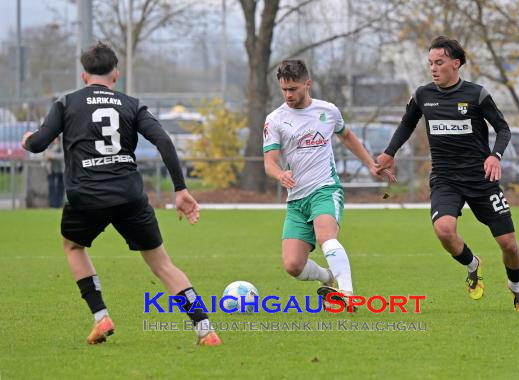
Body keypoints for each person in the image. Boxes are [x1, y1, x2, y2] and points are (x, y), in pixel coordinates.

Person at [21, 41, 222, 345]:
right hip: (129, 195)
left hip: (86, 196)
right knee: (162, 265)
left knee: (74, 247)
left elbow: (38, 144)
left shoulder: (67, 103)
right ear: (116, 74)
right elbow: (164, 142)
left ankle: (101, 317)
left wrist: (27, 140)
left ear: (84, 75)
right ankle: (205, 329)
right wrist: (180, 189)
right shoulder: (131, 104)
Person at [376, 36, 519, 311]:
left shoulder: (477, 94)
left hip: (482, 180)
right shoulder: (423, 95)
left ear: (456, 64)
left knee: (509, 245)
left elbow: (503, 129)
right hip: (445, 178)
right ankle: (473, 265)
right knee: (444, 230)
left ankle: (516, 288)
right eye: (430, 63)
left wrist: (495, 156)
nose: (433, 68)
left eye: (439, 62)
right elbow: (405, 125)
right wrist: (389, 152)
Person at [263, 59, 395, 310]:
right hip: (296, 200)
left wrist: (370, 163)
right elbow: (269, 162)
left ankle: (347, 293)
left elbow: (347, 136)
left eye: (293, 89)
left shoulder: (328, 111)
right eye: (284, 89)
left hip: (325, 189)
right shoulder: (275, 119)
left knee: (326, 237)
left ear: (307, 84)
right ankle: (328, 277)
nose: (288, 95)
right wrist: (280, 174)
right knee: (293, 266)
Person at [45, 137, 65, 208]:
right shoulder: (49, 146)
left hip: (60, 170)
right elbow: (45, 155)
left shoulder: (61, 146)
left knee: (60, 187)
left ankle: (58, 204)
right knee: (51, 186)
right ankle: (52, 203)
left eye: (56, 138)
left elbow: (63, 156)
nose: (54, 140)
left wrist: (52, 156)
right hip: (51, 170)